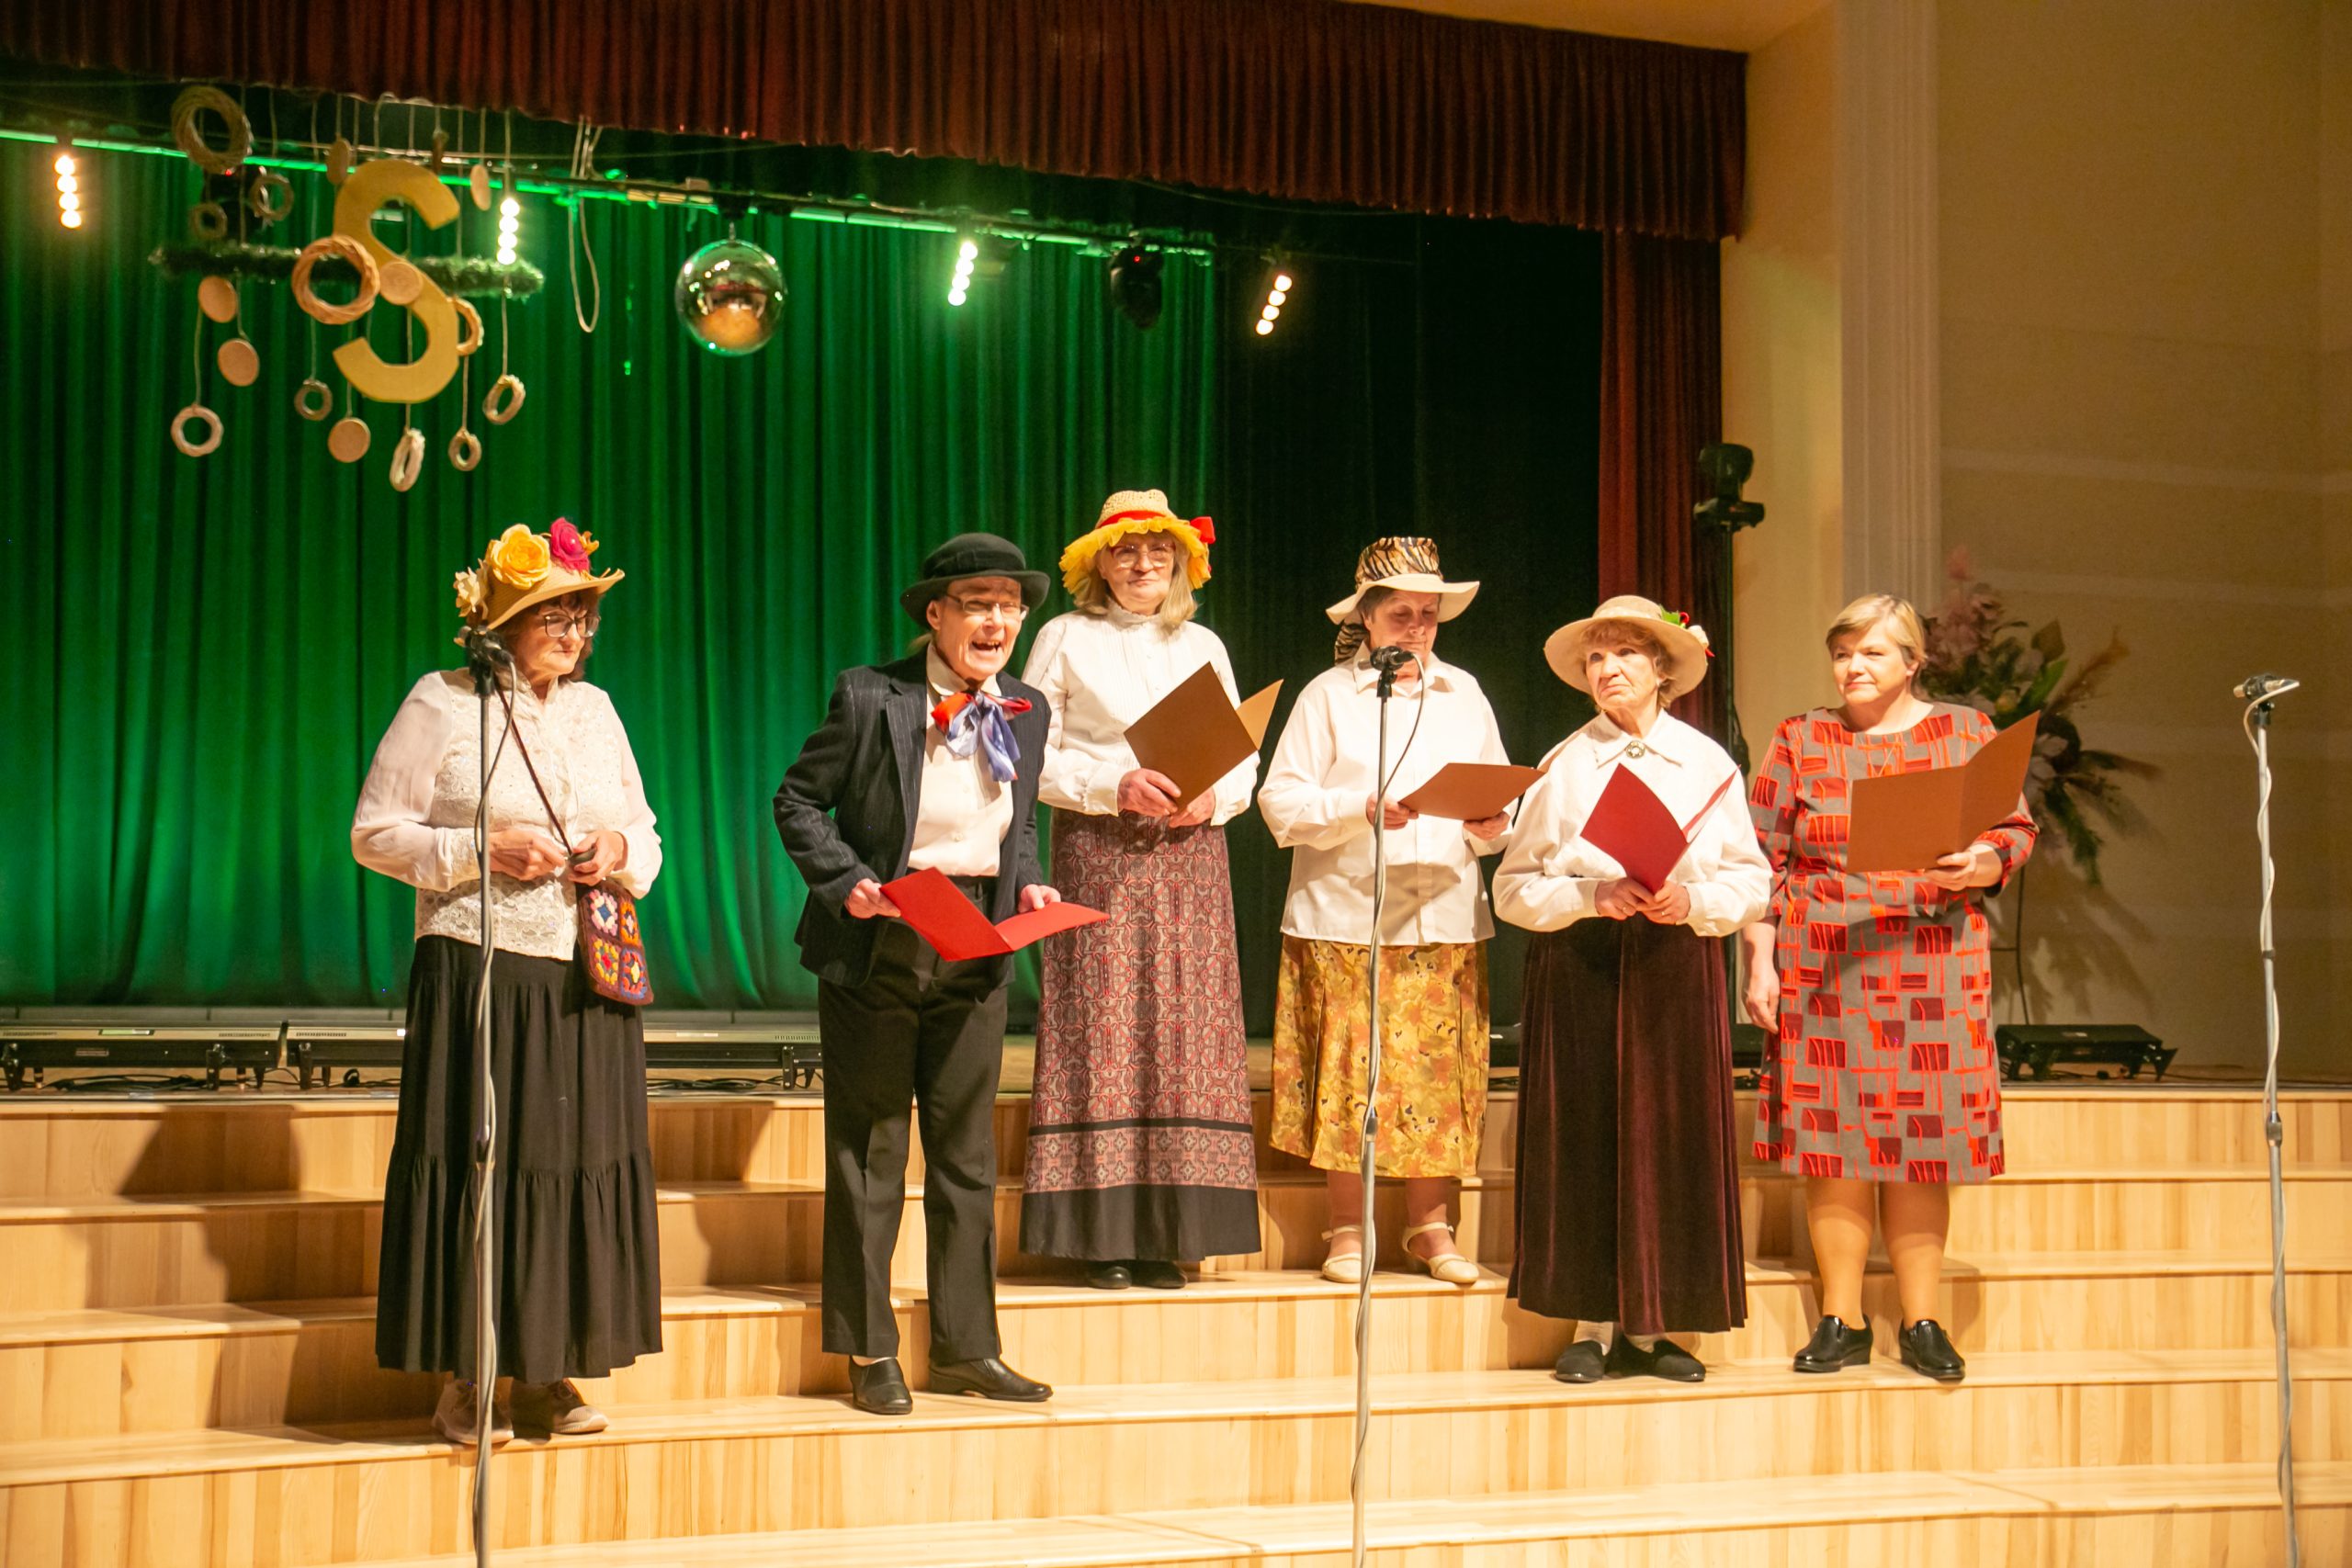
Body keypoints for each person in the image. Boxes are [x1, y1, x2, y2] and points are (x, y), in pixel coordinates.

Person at [352, 518, 662, 1445]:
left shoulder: (596, 710)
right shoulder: (444, 703)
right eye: (553, 615)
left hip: (585, 971)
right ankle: (468, 1373)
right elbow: (374, 833)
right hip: (479, 968)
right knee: (484, 1165)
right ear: (500, 624)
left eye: (582, 616)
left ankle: (548, 1367)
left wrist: (615, 848)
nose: (574, 632)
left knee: (569, 1166)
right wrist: (481, 848)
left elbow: (647, 835)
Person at [773, 533, 1063, 1416]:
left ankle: (969, 1347)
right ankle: (869, 1349)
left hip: (977, 943)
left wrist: (1028, 879)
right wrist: (849, 883)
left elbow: (1015, 822)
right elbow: (798, 800)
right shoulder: (872, 694)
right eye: (978, 603)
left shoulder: (1028, 707)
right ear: (935, 614)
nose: (997, 620)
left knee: (967, 1156)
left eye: (1010, 605)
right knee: (871, 1150)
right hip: (883, 940)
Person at [1741, 592, 2037, 1382]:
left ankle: (1921, 1319)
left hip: (1932, 958)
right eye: (1843, 654)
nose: (1853, 667)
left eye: (1871, 652)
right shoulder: (1802, 737)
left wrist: (1981, 863)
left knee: (1922, 1145)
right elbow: (1761, 858)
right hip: (1826, 958)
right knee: (1833, 1142)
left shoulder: (1964, 731)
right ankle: (1840, 1318)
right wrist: (1759, 961)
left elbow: (2013, 831)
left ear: (1912, 661)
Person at [1493, 596, 1767, 1383]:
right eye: (1596, 658)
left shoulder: (1708, 763)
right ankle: (1591, 1321)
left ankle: (1653, 1324)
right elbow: (1512, 888)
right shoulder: (1562, 763)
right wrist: (1591, 894)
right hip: (1583, 963)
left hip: (1675, 962)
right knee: (1588, 1134)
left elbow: (1751, 881)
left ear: (1661, 669)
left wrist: (1694, 900)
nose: (1607, 669)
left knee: (1670, 1137)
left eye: (1624, 655)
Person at [1018, 491, 1261, 1290]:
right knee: (1104, 1025)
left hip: (1192, 857)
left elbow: (1241, 757)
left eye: (1159, 551)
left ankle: (1169, 1230)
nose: (1143, 563)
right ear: (1100, 564)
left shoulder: (1204, 644)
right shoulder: (1064, 636)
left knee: (1185, 1030)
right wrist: (1111, 783)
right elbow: (1026, 753)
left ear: (1182, 563)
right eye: (1125, 551)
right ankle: (1102, 1235)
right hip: (1102, 847)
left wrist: (1214, 798)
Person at [1257, 537, 1512, 1288]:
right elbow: (1281, 801)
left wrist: (1493, 824)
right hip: (1347, 914)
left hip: (1441, 912)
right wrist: (1359, 807)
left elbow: (1499, 795)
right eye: (1402, 612)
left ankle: (1431, 1227)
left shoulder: (1464, 692)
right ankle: (1348, 1225)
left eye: (1429, 613)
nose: (1418, 626)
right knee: (1352, 1072)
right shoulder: (1331, 695)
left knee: (1435, 1075)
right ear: (1366, 618)